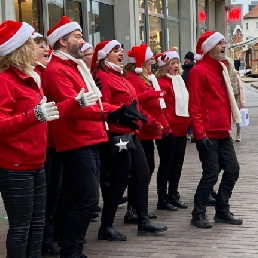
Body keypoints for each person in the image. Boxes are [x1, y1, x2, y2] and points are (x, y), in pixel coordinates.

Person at [43, 16, 143, 258]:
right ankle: (71, 251)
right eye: (78, 36)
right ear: (63, 42)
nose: (83, 40)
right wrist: (113, 115)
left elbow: (94, 103)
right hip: (76, 141)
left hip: (89, 138)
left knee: (82, 197)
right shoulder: (57, 70)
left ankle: (73, 249)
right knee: (87, 199)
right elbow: (77, 107)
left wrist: (118, 112)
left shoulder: (73, 67)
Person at [91, 40, 168, 241]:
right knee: (120, 180)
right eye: (115, 50)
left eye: (121, 50)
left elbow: (133, 104)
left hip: (130, 133)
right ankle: (106, 226)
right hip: (117, 135)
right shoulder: (103, 77)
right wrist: (121, 115)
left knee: (142, 174)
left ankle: (142, 220)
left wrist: (146, 119)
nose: (121, 53)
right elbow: (103, 106)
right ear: (104, 56)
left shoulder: (121, 76)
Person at [188, 31, 243, 228]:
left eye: (223, 42)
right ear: (209, 48)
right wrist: (200, 134)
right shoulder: (198, 71)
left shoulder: (220, 68)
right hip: (208, 133)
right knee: (211, 173)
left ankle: (222, 210)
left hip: (222, 131)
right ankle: (198, 213)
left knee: (232, 170)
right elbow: (194, 105)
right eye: (219, 43)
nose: (224, 45)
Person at [123, 44, 171, 221]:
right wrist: (152, 120)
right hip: (143, 130)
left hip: (149, 130)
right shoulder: (135, 79)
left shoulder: (146, 77)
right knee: (140, 171)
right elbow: (137, 104)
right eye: (149, 58)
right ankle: (133, 209)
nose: (152, 60)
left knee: (147, 169)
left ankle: (138, 207)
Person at [155, 49, 189, 210]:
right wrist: (165, 128)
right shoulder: (161, 82)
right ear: (165, 66)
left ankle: (173, 194)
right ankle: (162, 198)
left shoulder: (179, 80)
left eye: (177, 63)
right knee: (167, 164)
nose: (176, 66)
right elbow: (160, 108)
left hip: (182, 129)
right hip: (168, 130)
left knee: (178, 164)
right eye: (172, 63)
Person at [222, 57, 246, 142]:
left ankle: (238, 133)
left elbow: (240, 88)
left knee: (237, 116)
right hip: (226, 97)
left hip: (236, 96)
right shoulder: (222, 73)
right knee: (227, 116)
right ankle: (228, 133)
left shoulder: (235, 73)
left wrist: (242, 100)